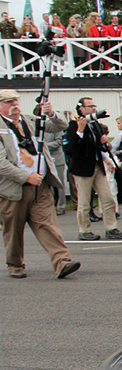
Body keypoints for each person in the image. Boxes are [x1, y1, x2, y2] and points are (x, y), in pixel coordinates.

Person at [0, 90, 80, 279]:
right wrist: (25, 177)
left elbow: (61, 126)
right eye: (9, 102)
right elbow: (1, 163)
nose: (15, 105)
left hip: (40, 185)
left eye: (16, 101)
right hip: (14, 189)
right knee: (14, 230)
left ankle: (62, 262)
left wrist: (50, 113)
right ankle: (15, 264)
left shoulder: (29, 120)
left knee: (48, 225)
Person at [66, 97, 122, 241]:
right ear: (81, 108)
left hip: (97, 165)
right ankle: (84, 230)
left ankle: (111, 227)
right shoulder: (74, 125)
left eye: (94, 106)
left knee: (108, 197)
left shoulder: (95, 124)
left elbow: (99, 146)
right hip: (83, 168)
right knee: (85, 201)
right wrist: (80, 130)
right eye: (90, 106)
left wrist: (104, 142)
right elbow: (71, 148)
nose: (94, 108)